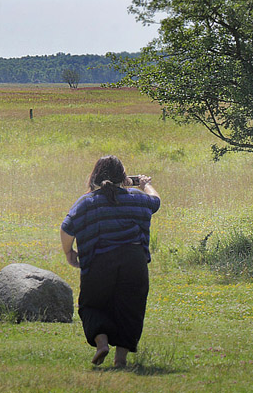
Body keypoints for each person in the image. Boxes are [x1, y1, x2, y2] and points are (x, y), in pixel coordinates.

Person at [60, 155, 161, 367]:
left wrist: (69, 253)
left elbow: (67, 228)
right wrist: (146, 185)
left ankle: (102, 343)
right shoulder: (137, 197)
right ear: (124, 177)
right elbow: (155, 201)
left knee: (91, 305)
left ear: (94, 176)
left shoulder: (87, 202)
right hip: (134, 261)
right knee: (130, 308)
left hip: (99, 262)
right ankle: (120, 360)